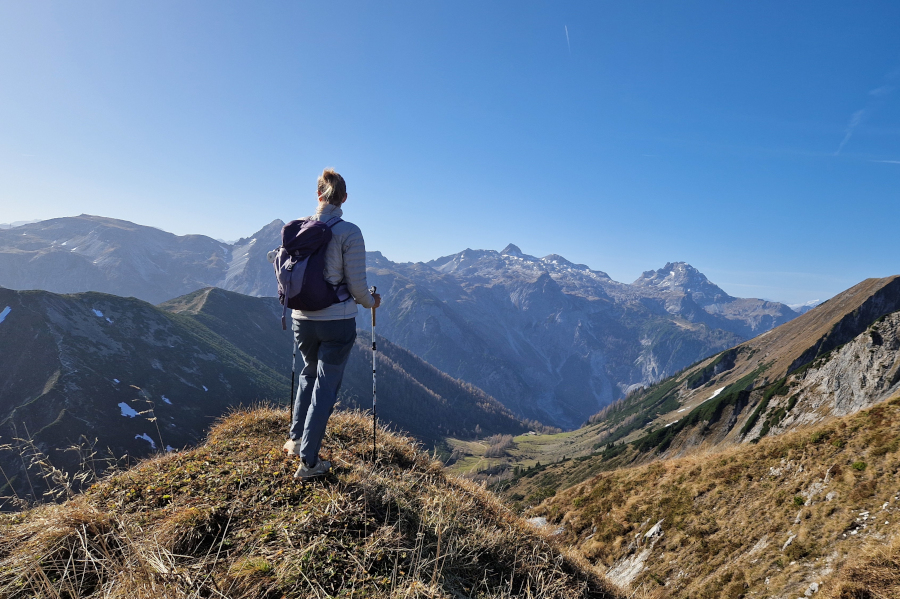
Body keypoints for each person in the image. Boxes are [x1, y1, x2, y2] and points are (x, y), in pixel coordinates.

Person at [283, 168, 380, 478]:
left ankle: (296, 440)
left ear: (318, 195)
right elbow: (356, 286)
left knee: (308, 374)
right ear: (345, 198)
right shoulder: (349, 232)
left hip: (301, 319)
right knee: (326, 386)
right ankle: (309, 462)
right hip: (336, 322)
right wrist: (371, 302)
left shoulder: (299, 230)